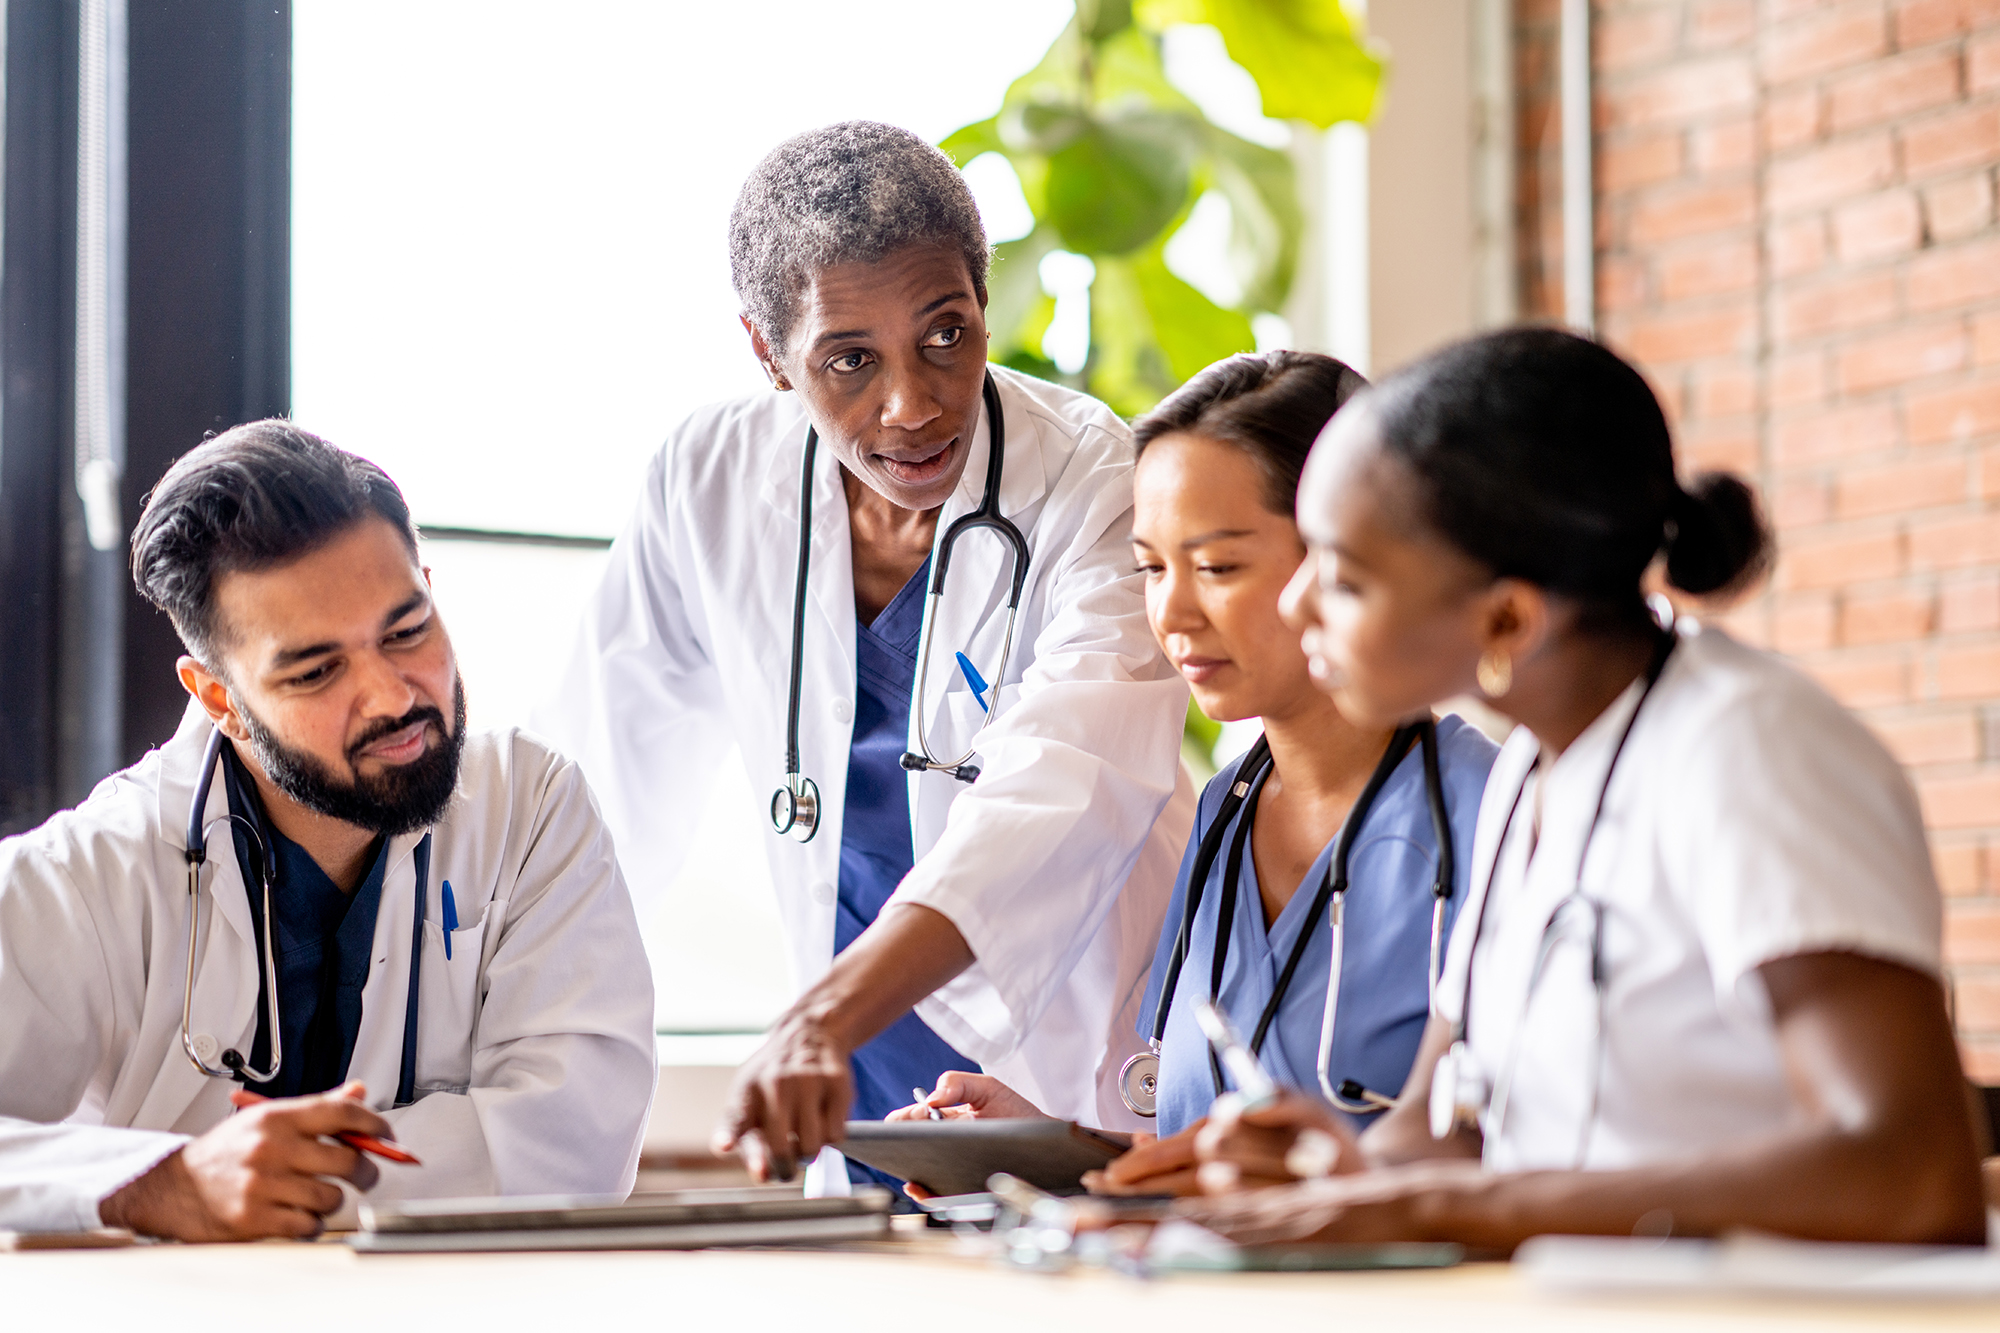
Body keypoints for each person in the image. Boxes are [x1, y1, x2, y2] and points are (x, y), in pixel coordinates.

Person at [1180, 328, 1987, 1247]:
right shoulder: (1530, 768)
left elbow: (1912, 1172)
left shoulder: (1750, 749)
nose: (1297, 605)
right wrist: (1343, 1171)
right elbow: (1455, 1132)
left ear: (1510, 617)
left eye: (1346, 578)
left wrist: (1441, 1207)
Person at [536, 121, 1193, 1189]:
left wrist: (817, 1023)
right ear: (766, 353)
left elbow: (1062, 789)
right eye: (848, 361)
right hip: (857, 1082)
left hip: (1071, 1055)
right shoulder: (709, 479)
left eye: (946, 334)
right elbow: (601, 788)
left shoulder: (1089, 479)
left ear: (984, 304)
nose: (913, 403)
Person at [0, 422, 658, 1239]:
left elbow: (578, 1141)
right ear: (218, 698)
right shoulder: (86, 873)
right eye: (316, 670)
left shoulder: (532, 811)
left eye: (407, 629)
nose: (392, 696)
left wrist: (282, 1190)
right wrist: (161, 1183)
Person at [888, 352, 1498, 1197]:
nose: (1171, 613)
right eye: (1151, 566)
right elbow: (1208, 1155)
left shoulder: (1492, 816)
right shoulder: (1223, 814)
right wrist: (1044, 1147)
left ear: (1347, 551)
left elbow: (1519, 1152)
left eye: (1216, 567)